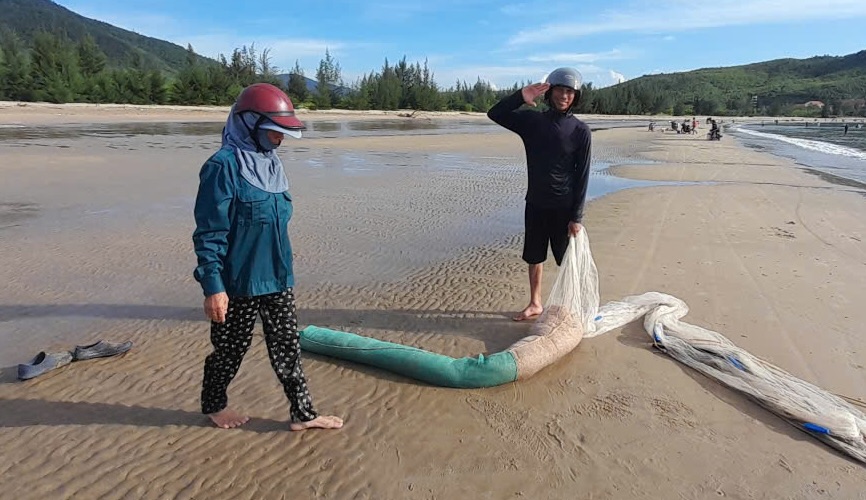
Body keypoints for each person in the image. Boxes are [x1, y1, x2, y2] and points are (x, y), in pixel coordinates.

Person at [192, 83, 343, 431]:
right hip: (239, 282)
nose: (280, 140)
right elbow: (210, 233)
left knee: (287, 345)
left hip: (278, 276)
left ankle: (303, 415)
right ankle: (214, 406)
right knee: (230, 350)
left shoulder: (271, 164)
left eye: (282, 133)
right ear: (249, 123)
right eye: (275, 132)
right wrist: (213, 286)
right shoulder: (222, 166)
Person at [487, 67, 591, 321]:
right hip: (535, 202)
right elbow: (495, 113)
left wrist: (576, 216)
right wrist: (521, 95)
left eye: (570, 92)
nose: (564, 96)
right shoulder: (533, 122)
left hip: (564, 207)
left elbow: (583, 175)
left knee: (567, 260)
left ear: (575, 96)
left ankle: (572, 305)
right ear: (550, 92)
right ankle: (535, 303)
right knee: (534, 255)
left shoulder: (580, 131)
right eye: (560, 90)